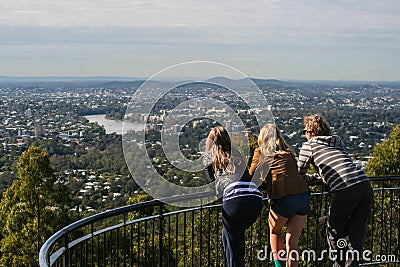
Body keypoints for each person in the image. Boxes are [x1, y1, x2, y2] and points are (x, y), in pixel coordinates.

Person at [298, 114, 373, 267]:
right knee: (356, 235)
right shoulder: (337, 140)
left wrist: (313, 178)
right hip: (364, 185)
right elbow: (339, 163)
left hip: (345, 188)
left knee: (333, 233)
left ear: (311, 132)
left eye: (305, 131)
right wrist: (322, 176)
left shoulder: (309, 145)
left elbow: (299, 173)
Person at [250, 124, 309, 267]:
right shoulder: (288, 153)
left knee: (275, 232)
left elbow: (252, 176)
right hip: (302, 196)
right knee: (293, 242)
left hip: (284, 197)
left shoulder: (261, 152)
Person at [203, 126, 262, 267]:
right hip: (255, 198)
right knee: (229, 238)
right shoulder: (237, 154)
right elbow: (247, 177)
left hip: (234, 201)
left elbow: (212, 184)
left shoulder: (209, 157)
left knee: (234, 246)